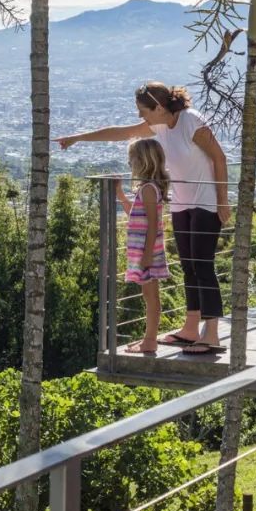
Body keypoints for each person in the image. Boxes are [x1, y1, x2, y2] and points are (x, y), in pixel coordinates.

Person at [55, 81, 231, 355]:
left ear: (158, 107)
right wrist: (79, 137)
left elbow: (219, 158)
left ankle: (212, 334)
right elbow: (121, 133)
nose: (140, 117)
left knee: (203, 266)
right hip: (182, 204)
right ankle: (191, 327)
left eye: (142, 110)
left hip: (206, 203)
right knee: (189, 267)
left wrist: (223, 201)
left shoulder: (191, 121)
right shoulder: (159, 125)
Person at [117, 138, 171, 354]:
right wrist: (121, 196)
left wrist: (147, 255)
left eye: (132, 159)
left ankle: (150, 341)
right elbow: (136, 216)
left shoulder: (149, 189)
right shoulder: (147, 188)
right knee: (148, 296)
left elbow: (152, 225)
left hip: (147, 251)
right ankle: (149, 338)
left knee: (150, 297)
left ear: (143, 161)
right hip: (145, 251)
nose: (130, 163)